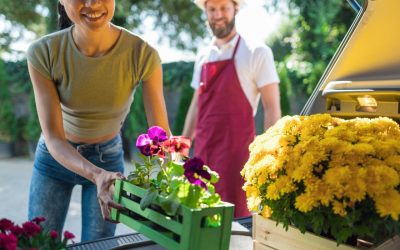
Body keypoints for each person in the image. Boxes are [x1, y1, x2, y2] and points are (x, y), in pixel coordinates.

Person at [26, 0, 170, 241]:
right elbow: (53, 137)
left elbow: (161, 138)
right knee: (38, 243)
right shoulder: (43, 52)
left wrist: (180, 179)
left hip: (108, 159)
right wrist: (95, 174)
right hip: (55, 159)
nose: (92, 3)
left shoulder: (143, 54)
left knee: (100, 246)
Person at [183, 0, 281, 218]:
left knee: (236, 227)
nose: (218, 15)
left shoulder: (257, 52)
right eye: (212, 9)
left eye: (224, 8)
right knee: (201, 222)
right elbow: (196, 105)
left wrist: (269, 155)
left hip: (237, 159)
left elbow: (272, 107)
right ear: (205, 12)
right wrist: (183, 143)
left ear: (236, 8)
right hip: (203, 156)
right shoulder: (202, 57)